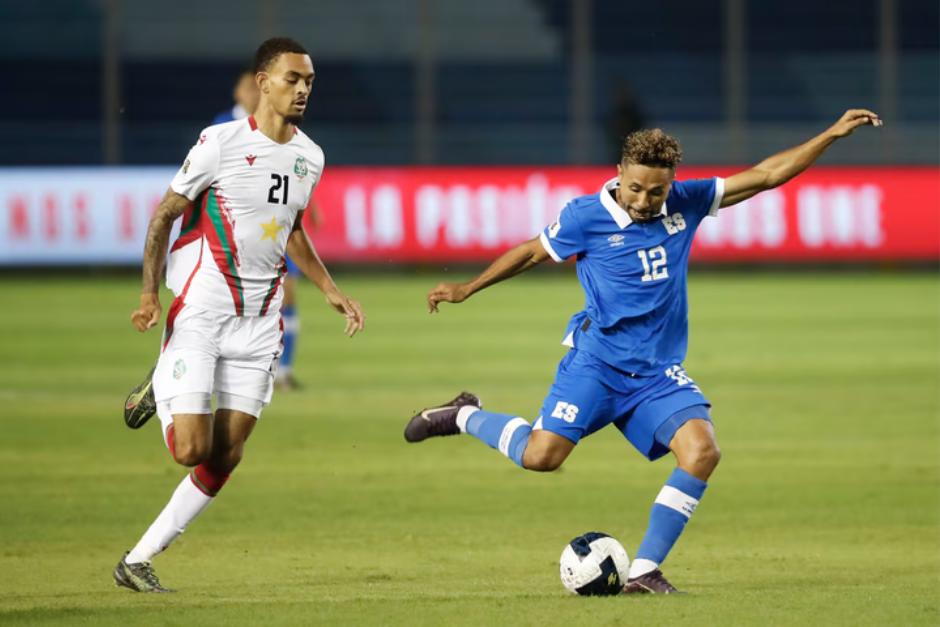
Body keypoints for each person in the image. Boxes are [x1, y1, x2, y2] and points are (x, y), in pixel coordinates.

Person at [404, 110, 882, 594]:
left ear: (670, 184)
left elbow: (765, 175)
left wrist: (829, 135)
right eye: (636, 188)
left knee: (702, 452)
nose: (645, 200)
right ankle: (463, 415)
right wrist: (468, 287)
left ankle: (644, 571)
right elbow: (531, 252)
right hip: (596, 364)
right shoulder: (585, 217)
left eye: (656, 191)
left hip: (656, 373)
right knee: (541, 457)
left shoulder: (688, 201)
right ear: (619, 173)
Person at [114, 37, 365, 593]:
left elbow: (291, 229)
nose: (302, 90)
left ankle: (137, 559)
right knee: (190, 449)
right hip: (202, 312)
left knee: (226, 455)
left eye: (309, 82)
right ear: (262, 82)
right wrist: (150, 295)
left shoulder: (311, 156)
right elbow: (163, 216)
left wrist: (329, 288)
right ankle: (163, 381)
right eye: (292, 79)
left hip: (260, 324)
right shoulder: (219, 143)